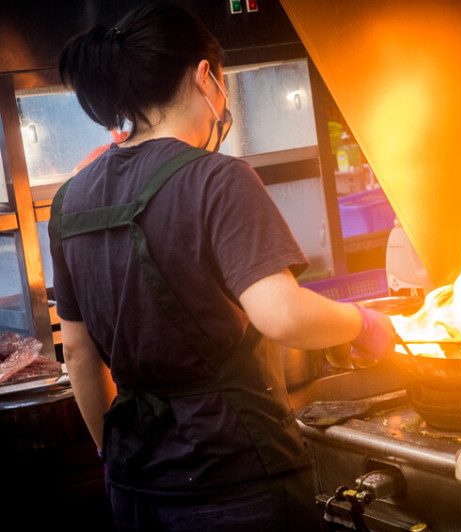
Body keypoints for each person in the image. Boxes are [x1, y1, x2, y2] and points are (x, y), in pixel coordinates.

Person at [51, 2, 395, 530]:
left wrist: (114, 456)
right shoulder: (217, 177)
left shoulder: (71, 198)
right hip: (235, 480)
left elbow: (76, 351)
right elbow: (280, 315)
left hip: (135, 487)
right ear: (206, 76)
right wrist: (367, 323)